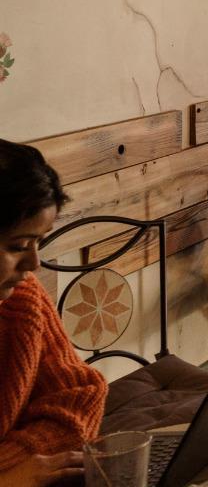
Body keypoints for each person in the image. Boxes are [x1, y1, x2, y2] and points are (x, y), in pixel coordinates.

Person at [0, 140, 107, 486]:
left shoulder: (22, 300)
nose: (33, 264)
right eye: (18, 246)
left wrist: (19, 466)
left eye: (38, 243)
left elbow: (80, 401)